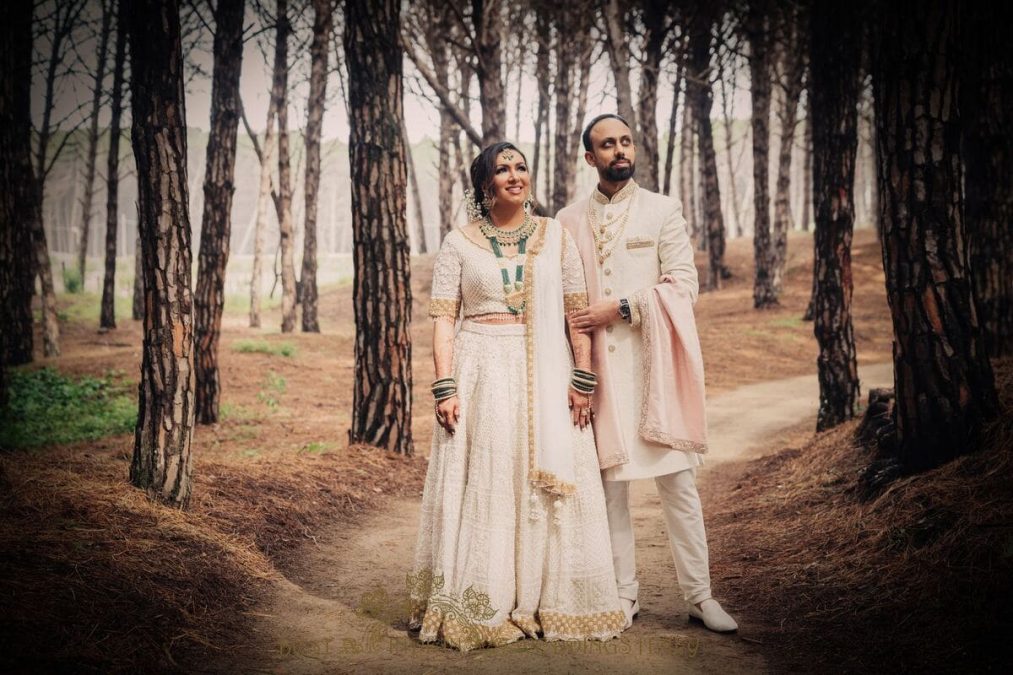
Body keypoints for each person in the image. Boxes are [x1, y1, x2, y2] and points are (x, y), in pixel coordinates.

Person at [408, 141, 625, 652]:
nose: (514, 175)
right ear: (484, 185)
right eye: (502, 169)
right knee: (489, 479)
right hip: (481, 368)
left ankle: (551, 598)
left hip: (545, 371)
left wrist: (582, 379)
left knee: (544, 483)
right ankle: (483, 602)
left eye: (520, 166)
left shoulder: (556, 238)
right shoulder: (458, 243)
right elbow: (443, 320)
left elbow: (577, 316)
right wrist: (445, 387)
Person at [555, 114, 738, 633]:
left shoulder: (663, 210)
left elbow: (683, 286)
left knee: (679, 485)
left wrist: (621, 308)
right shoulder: (567, 221)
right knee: (611, 489)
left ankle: (701, 597)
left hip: (657, 370)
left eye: (625, 141)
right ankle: (622, 595)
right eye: (606, 145)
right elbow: (562, 301)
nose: (619, 150)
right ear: (589, 158)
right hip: (599, 378)